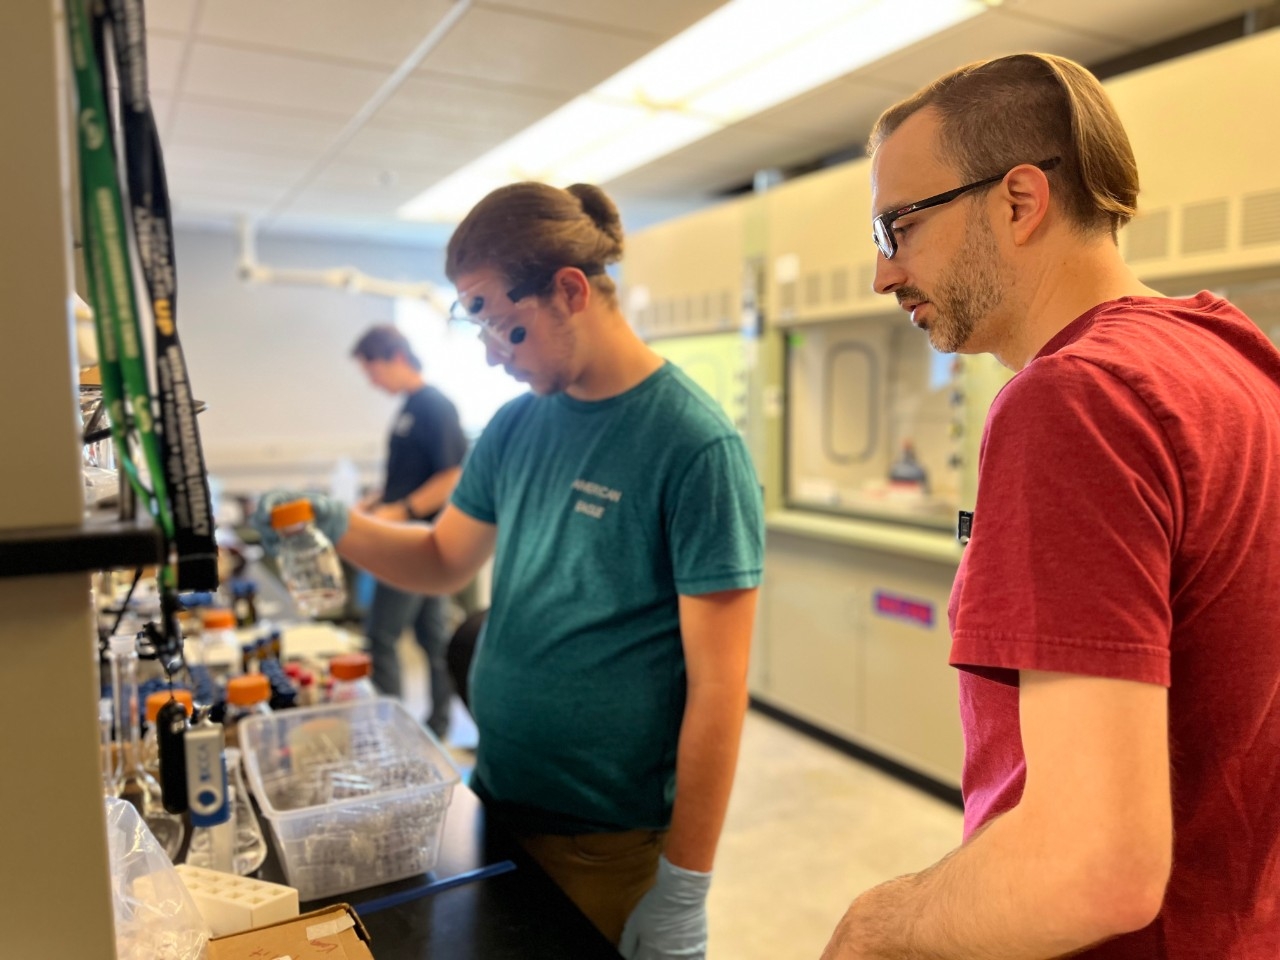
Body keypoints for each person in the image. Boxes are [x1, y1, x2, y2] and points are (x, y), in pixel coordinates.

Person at [821, 53, 1280, 959]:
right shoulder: (1237, 360)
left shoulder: (1074, 398)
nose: (882, 274)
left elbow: (1092, 866)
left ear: (1019, 201)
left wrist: (880, 927)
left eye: (895, 227)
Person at [256, 182, 764, 959]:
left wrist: (685, 884)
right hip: (497, 798)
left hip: (608, 839)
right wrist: (339, 524)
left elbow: (721, 691)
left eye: (504, 323)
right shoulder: (516, 425)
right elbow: (439, 559)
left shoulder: (693, 447)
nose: (493, 354)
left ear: (568, 291)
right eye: (479, 324)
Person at [350, 325, 467, 739]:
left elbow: (451, 474)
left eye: (374, 371)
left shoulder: (435, 406)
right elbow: (408, 475)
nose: (373, 381)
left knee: (381, 637)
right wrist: (373, 503)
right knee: (432, 639)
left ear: (396, 357)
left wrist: (400, 511)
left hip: (415, 543)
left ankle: (392, 736)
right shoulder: (408, 408)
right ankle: (435, 729)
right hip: (406, 533)